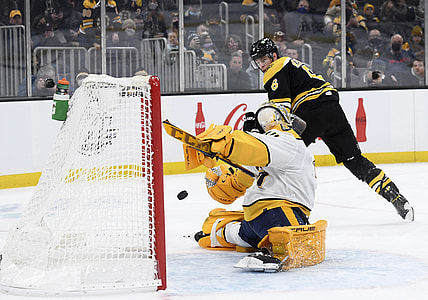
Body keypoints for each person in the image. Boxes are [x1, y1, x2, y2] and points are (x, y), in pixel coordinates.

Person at [247, 37, 414, 221]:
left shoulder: (275, 68)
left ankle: (285, 215)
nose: (262, 65)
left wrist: (257, 131)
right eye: (258, 62)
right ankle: (396, 198)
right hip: (332, 109)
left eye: (264, 60)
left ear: (274, 55)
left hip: (311, 111)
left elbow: (280, 111)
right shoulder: (292, 64)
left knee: (285, 156)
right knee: (354, 160)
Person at [184, 103, 326, 271]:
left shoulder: (283, 143)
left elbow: (248, 162)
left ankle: (212, 234)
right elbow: (242, 175)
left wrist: (229, 144)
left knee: (238, 234)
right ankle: (270, 252)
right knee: (300, 244)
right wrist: (220, 177)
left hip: (255, 219)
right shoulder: (288, 142)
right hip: (277, 212)